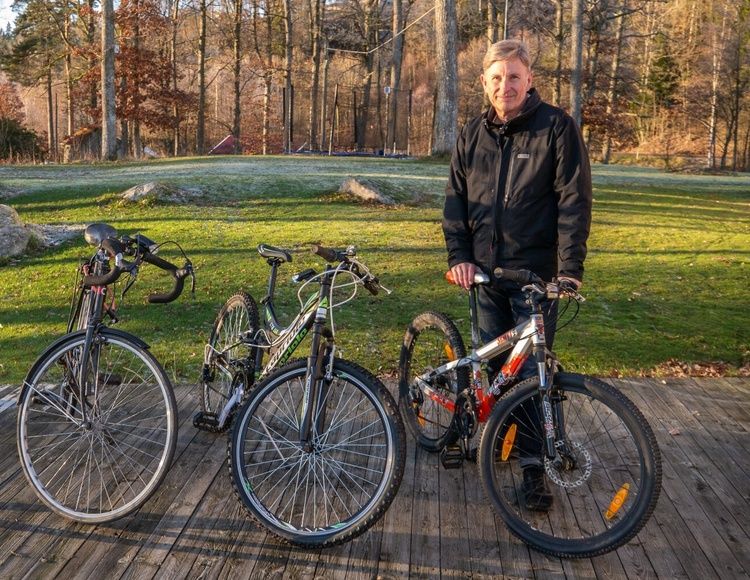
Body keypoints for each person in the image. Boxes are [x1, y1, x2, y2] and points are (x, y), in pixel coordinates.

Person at [442, 39, 592, 511]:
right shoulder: (472, 135)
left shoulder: (556, 128)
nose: (504, 86)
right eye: (495, 78)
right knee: (495, 370)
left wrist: (569, 270)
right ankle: (499, 436)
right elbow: (456, 203)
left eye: (513, 77)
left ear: (529, 80)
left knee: (530, 376)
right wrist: (459, 256)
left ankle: (532, 470)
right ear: (484, 83)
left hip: (535, 277)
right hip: (484, 275)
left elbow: (574, 202)